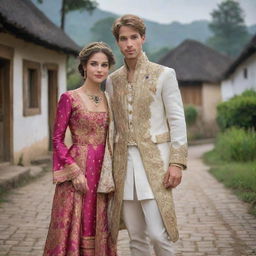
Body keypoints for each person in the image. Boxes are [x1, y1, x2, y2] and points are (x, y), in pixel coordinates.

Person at [106, 15, 188, 256]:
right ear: (118, 43)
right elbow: (112, 127)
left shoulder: (164, 74)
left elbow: (177, 120)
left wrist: (177, 162)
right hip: (123, 167)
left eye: (134, 37)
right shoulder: (112, 81)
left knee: (157, 235)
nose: (129, 43)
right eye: (123, 39)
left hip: (156, 164)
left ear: (143, 38)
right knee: (136, 238)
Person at [43, 42, 117, 256]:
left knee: (100, 219)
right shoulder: (70, 97)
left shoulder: (109, 100)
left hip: (104, 171)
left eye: (104, 65)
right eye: (94, 64)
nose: (99, 69)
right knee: (75, 219)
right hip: (79, 168)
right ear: (84, 66)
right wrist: (74, 172)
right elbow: (56, 138)